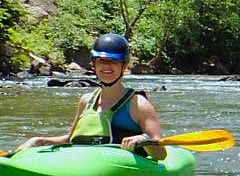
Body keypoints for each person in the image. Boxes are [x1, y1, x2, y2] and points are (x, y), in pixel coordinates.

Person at [14, 32, 167, 160]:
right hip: (84, 163)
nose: (107, 66)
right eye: (101, 61)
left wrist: (144, 139)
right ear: (94, 64)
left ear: (124, 65)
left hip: (119, 170)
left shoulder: (138, 104)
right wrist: (39, 140)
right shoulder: (86, 101)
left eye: (113, 61)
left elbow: (161, 154)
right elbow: (70, 139)